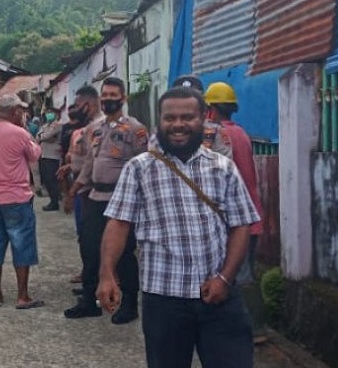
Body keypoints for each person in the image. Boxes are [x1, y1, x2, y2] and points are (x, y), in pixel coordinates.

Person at [97, 86, 259, 368]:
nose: (178, 124)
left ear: (203, 119)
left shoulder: (223, 168)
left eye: (188, 117)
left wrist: (224, 278)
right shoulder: (138, 169)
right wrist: (107, 274)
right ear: (159, 120)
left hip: (219, 297)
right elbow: (119, 223)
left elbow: (241, 225)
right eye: (170, 118)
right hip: (163, 300)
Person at [64, 77, 147, 324]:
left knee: (122, 254)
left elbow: (144, 164)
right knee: (89, 250)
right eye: (105, 95)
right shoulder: (95, 129)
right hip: (94, 196)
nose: (109, 99)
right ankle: (89, 301)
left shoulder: (135, 129)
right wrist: (74, 190)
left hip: (121, 200)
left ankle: (129, 304)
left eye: (114, 95)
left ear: (123, 98)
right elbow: (90, 164)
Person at [0, 93, 44, 309]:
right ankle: (22, 296)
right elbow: (35, 155)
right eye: (21, 111)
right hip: (16, 198)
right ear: (15, 112)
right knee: (21, 244)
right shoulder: (20, 133)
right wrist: (26, 131)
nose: (23, 114)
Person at [203, 82, 264, 284]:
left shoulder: (217, 136)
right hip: (251, 217)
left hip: (232, 222)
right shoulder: (241, 133)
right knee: (244, 278)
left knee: (231, 282)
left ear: (210, 110)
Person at [56, 86, 103, 285]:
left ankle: (95, 280)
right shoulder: (89, 126)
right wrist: (69, 165)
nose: (73, 110)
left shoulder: (99, 127)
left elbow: (93, 162)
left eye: (76, 105)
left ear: (87, 104)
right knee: (85, 236)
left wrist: (72, 192)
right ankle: (89, 276)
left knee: (92, 238)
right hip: (82, 186)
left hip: (89, 189)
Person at [36, 107, 63, 211]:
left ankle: (55, 202)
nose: (49, 114)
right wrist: (43, 137)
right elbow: (38, 136)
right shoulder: (45, 125)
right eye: (47, 112)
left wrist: (42, 137)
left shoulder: (57, 125)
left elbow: (46, 136)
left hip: (53, 156)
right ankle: (52, 200)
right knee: (46, 179)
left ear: (56, 114)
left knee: (52, 180)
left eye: (51, 112)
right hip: (43, 154)